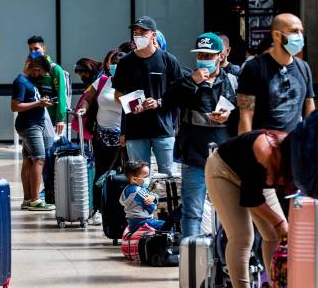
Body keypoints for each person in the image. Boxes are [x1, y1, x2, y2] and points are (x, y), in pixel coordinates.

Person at [205, 130, 291, 288]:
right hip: (222, 171)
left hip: (259, 173)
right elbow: (252, 200)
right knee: (242, 237)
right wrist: (280, 222)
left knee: (274, 236)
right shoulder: (261, 155)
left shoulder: (291, 154)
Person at [163, 32, 237, 238]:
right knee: (192, 211)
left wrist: (230, 115)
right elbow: (167, 102)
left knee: (229, 211)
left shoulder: (233, 81)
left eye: (208, 55)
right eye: (200, 55)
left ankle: (223, 257)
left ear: (220, 56)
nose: (204, 60)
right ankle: (192, 258)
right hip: (194, 157)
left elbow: (246, 114)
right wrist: (191, 82)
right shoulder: (187, 81)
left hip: (225, 159)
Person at [112, 16, 183, 175]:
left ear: (154, 35)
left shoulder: (168, 60)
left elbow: (180, 93)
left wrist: (159, 102)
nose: (138, 35)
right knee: (139, 178)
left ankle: (168, 201)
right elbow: (117, 93)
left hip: (163, 129)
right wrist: (130, 105)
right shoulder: (125, 62)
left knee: (169, 176)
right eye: (136, 32)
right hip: (135, 131)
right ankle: (143, 201)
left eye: (143, 31)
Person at [237, 13, 315, 136]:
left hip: (294, 147)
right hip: (263, 148)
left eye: (301, 31)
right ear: (277, 35)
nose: (300, 36)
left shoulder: (303, 67)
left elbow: (309, 109)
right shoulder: (254, 68)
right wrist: (246, 150)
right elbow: (246, 117)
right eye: (294, 31)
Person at [76, 51, 123, 226]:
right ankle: (98, 210)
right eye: (113, 62)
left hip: (123, 138)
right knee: (101, 173)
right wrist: (84, 108)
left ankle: (118, 210)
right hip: (101, 135)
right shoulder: (103, 81)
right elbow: (88, 97)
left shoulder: (132, 84)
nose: (115, 66)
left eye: (119, 62)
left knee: (121, 174)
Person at [11, 56, 56, 211]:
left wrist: (41, 101)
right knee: (39, 159)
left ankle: (28, 199)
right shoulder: (21, 81)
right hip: (30, 126)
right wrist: (39, 103)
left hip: (32, 124)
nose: (41, 76)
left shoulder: (29, 82)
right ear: (35, 68)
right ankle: (35, 200)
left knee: (29, 160)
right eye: (41, 73)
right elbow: (15, 106)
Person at [26, 35, 68, 135]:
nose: (33, 52)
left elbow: (61, 94)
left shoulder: (55, 69)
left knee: (49, 148)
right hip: (33, 116)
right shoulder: (29, 69)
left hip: (51, 117)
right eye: (30, 49)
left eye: (36, 49)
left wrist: (60, 119)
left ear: (43, 48)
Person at [119, 160, 175, 232]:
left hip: (133, 222)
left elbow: (151, 195)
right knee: (168, 225)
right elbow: (152, 207)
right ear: (134, 179)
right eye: (145, 176)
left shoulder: (128, 188)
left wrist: (153, 196)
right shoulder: (138, 191)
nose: (148, 179)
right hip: (142, 222)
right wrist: (154, 199)